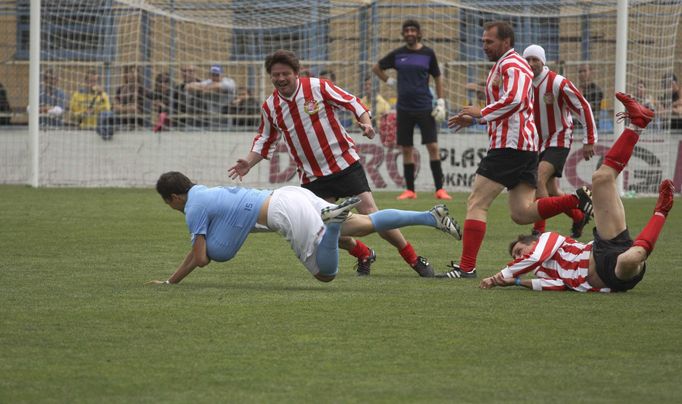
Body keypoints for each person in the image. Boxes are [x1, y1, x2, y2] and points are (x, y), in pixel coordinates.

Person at [228, 49, 439, 277]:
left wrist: (366, 123)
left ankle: (414, 260)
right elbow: (265, 139)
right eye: (275, 75)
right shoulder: (270, 106)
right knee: (321, 231)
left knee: (371, 214)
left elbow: (352, 102)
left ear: (296, 73)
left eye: (285, 74)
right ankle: (363, 253)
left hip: (343, 164)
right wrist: (248, 162)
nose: (280, 79)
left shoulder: (318, 87)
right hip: (312, 177)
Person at [442, 21, 593, 279]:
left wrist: (482, 114)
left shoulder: (512, 65)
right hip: (523, 147)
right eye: (483, 41)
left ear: (506, 42)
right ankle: (575, 200)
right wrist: (477, 118)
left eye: (489, 41)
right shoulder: (507, 65)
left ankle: (466, 268)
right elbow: (510, 101)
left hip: (510, 146)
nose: (484, 45)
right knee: (521, 213)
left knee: (477, 203)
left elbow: (516, 99)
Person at [480, 93, 674, 292]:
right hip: (610, 264)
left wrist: (499, 277)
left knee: (601, 179)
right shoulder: (541, 271)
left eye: (520, 251)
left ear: (533, 241)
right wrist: (518, 282)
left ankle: (638, 126)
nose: (519, 257)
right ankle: (639, 128)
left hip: (601, 252)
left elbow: (536, 257)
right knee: (630, 259)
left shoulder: (548, 239)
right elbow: (553, 285)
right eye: (516, 257)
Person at [146, 171, 461, 284]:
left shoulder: (193, 207)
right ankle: (428, 216)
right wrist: (172, 282)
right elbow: (196, 253)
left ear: (174, 197)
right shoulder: (204, 193)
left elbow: (201, 258)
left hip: (284, 211)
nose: (172, 208)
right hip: (291, 194)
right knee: (365, 224)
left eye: (168, 203)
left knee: (326, 275)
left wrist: (201, 253)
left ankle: (334, 225)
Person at [523, 44, 598, 239]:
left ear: (543, 61)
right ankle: (578, 215)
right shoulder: (522, 83)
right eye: (527, 59)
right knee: (551, 189)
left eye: (535, 60)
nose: (531, 64)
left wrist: (589, 139)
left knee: (538, 178)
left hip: (559, 137)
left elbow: (583, 106)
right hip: (537, 141)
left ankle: (538, 231)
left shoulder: (557, 82)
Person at [372, 19, 451, 201]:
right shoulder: (398, 54)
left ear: (418, 33)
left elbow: (438, 77)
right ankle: (410, 191)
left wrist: (440, 102)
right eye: (406, 30)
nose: (409, 33)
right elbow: (376, 68)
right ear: (403, 34)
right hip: (404, 109)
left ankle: (440, 189)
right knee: (406, 148)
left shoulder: (428, 53)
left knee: (433, 146)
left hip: (425, 107)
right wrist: (390, 81)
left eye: (412, 30)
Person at [187, 65, 236, 129]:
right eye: (212, 75)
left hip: (224, 114)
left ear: (222, 75)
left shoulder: (229, 81)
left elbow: (218, 86)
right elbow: (189, 86)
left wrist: (205, 88)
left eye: (217, 75)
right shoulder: (208, 81)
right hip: (210, 114)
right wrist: (208, 88)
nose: (214, 77)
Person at [112, 65, 147, 129]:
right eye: (130, 72)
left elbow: (135, 109)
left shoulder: (141, 89)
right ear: (126, 74)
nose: (133, 74)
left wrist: (121, 108)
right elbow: (114, 106)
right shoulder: (120, 89)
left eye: (134, 72)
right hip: (121, 123)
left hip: (136, 124)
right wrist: (126, 108)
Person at [173, 64, 206, 128]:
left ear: (196, 72)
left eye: (190, 71)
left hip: (201, 123)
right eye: (184, 71)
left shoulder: (204, 84)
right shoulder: (177, 88)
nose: (187, 73)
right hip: (182, 124)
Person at [577, 63, 603, 128]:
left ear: (590, 72)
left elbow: (592, 107)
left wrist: (580, 98)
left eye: (584, 71)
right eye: (580, 71)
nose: (582, 74)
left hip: (591, 125)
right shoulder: (575, 89)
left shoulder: (597, 90)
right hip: (577, 125)